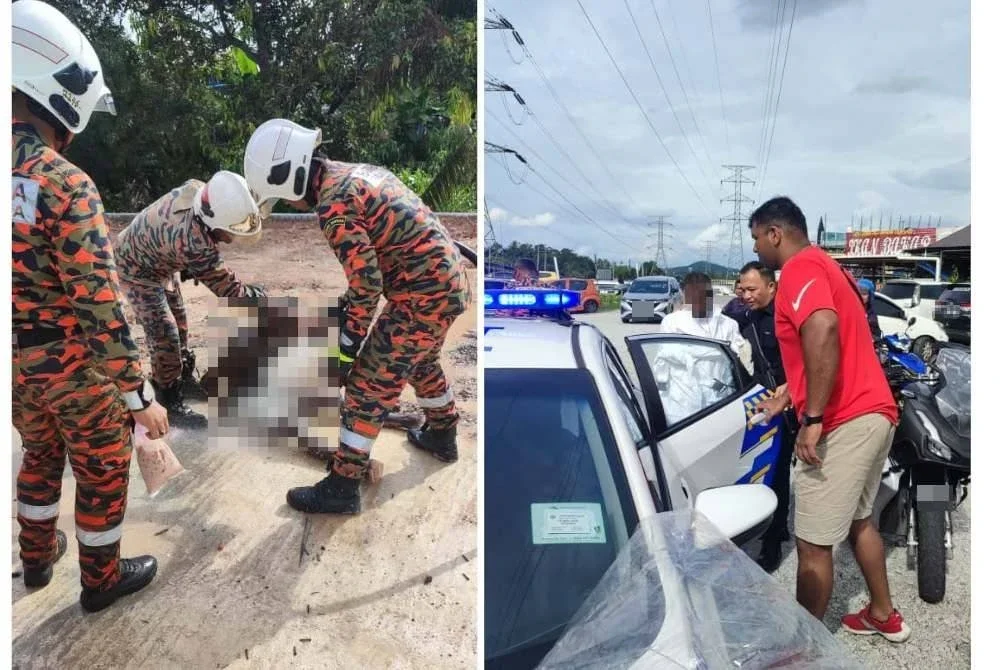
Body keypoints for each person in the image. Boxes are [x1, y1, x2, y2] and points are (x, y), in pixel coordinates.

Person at [12, 0, 164, 612]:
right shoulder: (63, 183)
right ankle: (100, 580)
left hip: (15, 368)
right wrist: (139, 397)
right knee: (101, 466)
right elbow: (100, 306)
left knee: (41, 456)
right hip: (73, 367)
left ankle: (36, 558)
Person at [243, 118, 469, 515]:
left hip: (423, 293)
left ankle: (343, 486)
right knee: (419, 358)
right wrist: (349, 310)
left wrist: (346, 349)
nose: (290, 206)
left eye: (283, 197)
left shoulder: (333, 206)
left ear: (291, 176)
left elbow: (366, 282)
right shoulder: (351, 174)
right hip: (444, 282)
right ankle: (442, 433)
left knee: (368, 385)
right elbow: (374, 266)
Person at [749, 196, 910, 642]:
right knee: (860, 522)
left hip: (845, 420)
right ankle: (882, 614)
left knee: (813, 544)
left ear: (774, 233)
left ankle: (803, 649)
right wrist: (789, 395)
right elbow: (827, 351)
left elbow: (822, 330)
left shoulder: (799, 268)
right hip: (875, 412)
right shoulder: (827, 265)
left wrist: (813, 417)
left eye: (758, 239)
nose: (758, 250)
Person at [114, 171, 268, 429]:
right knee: (165, 333)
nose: (232, 238)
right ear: (213, 222)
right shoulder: (195, 242)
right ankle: (169, 399)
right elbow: (229, 291)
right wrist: (257, 296)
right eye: (230, 230)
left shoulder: (202, 193)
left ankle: (182, 377)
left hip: (159, 260)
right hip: (135, 268)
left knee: (181, 322)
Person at [735, 262, 797, 573]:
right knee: (772, 467)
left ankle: (774, 538)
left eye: (751, 289)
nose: (745, 295)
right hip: (765, 402)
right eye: (741, 289)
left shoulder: (787, 317)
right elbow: (707, 318)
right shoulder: (744, 314)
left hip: (794, 400)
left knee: (779, 472)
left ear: (771, 287)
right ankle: (775, 529)